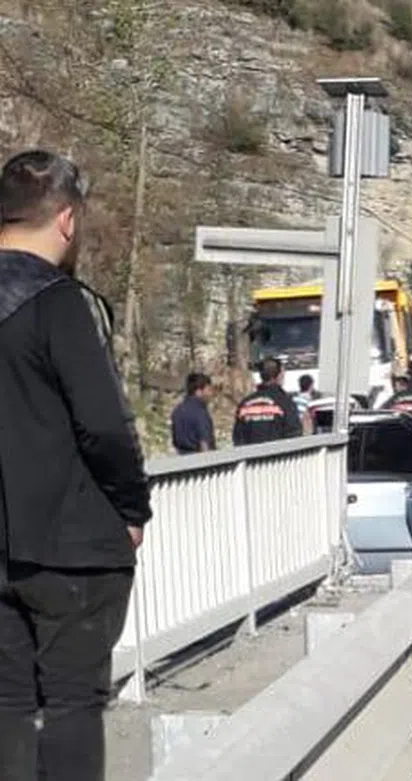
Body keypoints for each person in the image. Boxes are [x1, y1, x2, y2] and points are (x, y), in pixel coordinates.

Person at [0, 149, 151, 781]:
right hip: (71, 547)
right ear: (66, 220)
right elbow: (104, 424)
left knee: (6, 702)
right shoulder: (59, 303)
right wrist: (131, 507)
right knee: (72, 704)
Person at [232, 357, 303, 445]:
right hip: (278, 457)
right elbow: (294, 433)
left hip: (250, 457)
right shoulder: (285, 402)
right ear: (279, 375)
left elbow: (238, 437)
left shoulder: (245, 404)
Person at [171, 372, 217, 454]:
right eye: (208, 390)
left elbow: (175, 440)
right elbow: (204, 443)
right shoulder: (200, 412)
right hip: (199, 459)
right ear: (199, 391)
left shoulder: (177, 411)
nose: (211, 394)